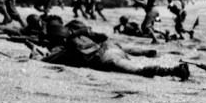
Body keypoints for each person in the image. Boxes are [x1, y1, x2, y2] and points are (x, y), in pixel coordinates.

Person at [33, 22, 190, 81]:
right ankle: (145, 52)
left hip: (105, 59)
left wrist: (34, 51)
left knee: (139, 70)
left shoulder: (64, 49)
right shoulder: (81, 38)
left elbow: (43, 60)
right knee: (125, 50)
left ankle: (174, 71)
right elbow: (103, 37)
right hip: (110, 48)